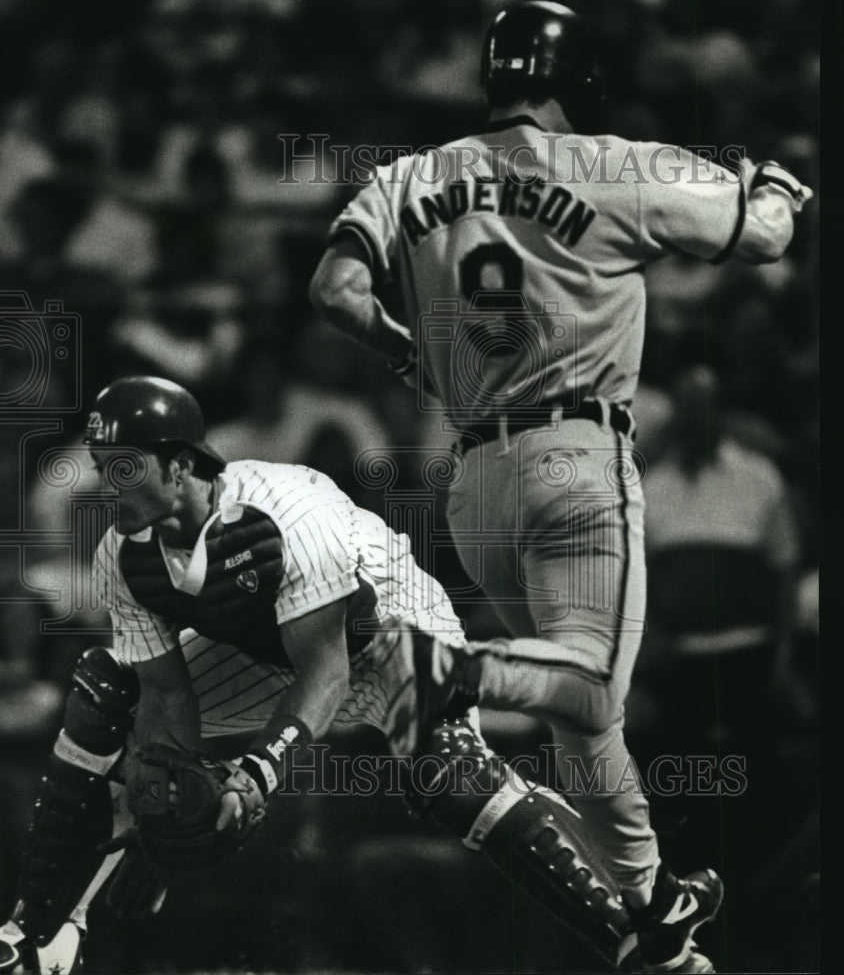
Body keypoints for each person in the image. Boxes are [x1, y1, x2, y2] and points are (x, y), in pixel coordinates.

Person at [309, 0, 812, 975]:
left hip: (476, 484)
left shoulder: (410, 175)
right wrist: (780, 185)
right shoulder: (615, 162)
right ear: (579, 78)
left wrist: (408, 356)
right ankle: (446, 673)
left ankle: (651, 909)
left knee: (580, 714)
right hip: (576, 452)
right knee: (582, 681)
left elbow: (333, 292)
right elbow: (760, 240)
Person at [1, 375, 646, 975]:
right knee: (105, 688)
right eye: (102, 468)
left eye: (124, 468)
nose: (106, 485)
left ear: (178, 464)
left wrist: (258, 771)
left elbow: (326, 670)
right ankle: (40, 933)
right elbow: (167, 698)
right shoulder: (124, 551)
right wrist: (158, 825)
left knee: (445, 773)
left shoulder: (288, 509)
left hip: (387, 631)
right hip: (269, 656)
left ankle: (636, 930)